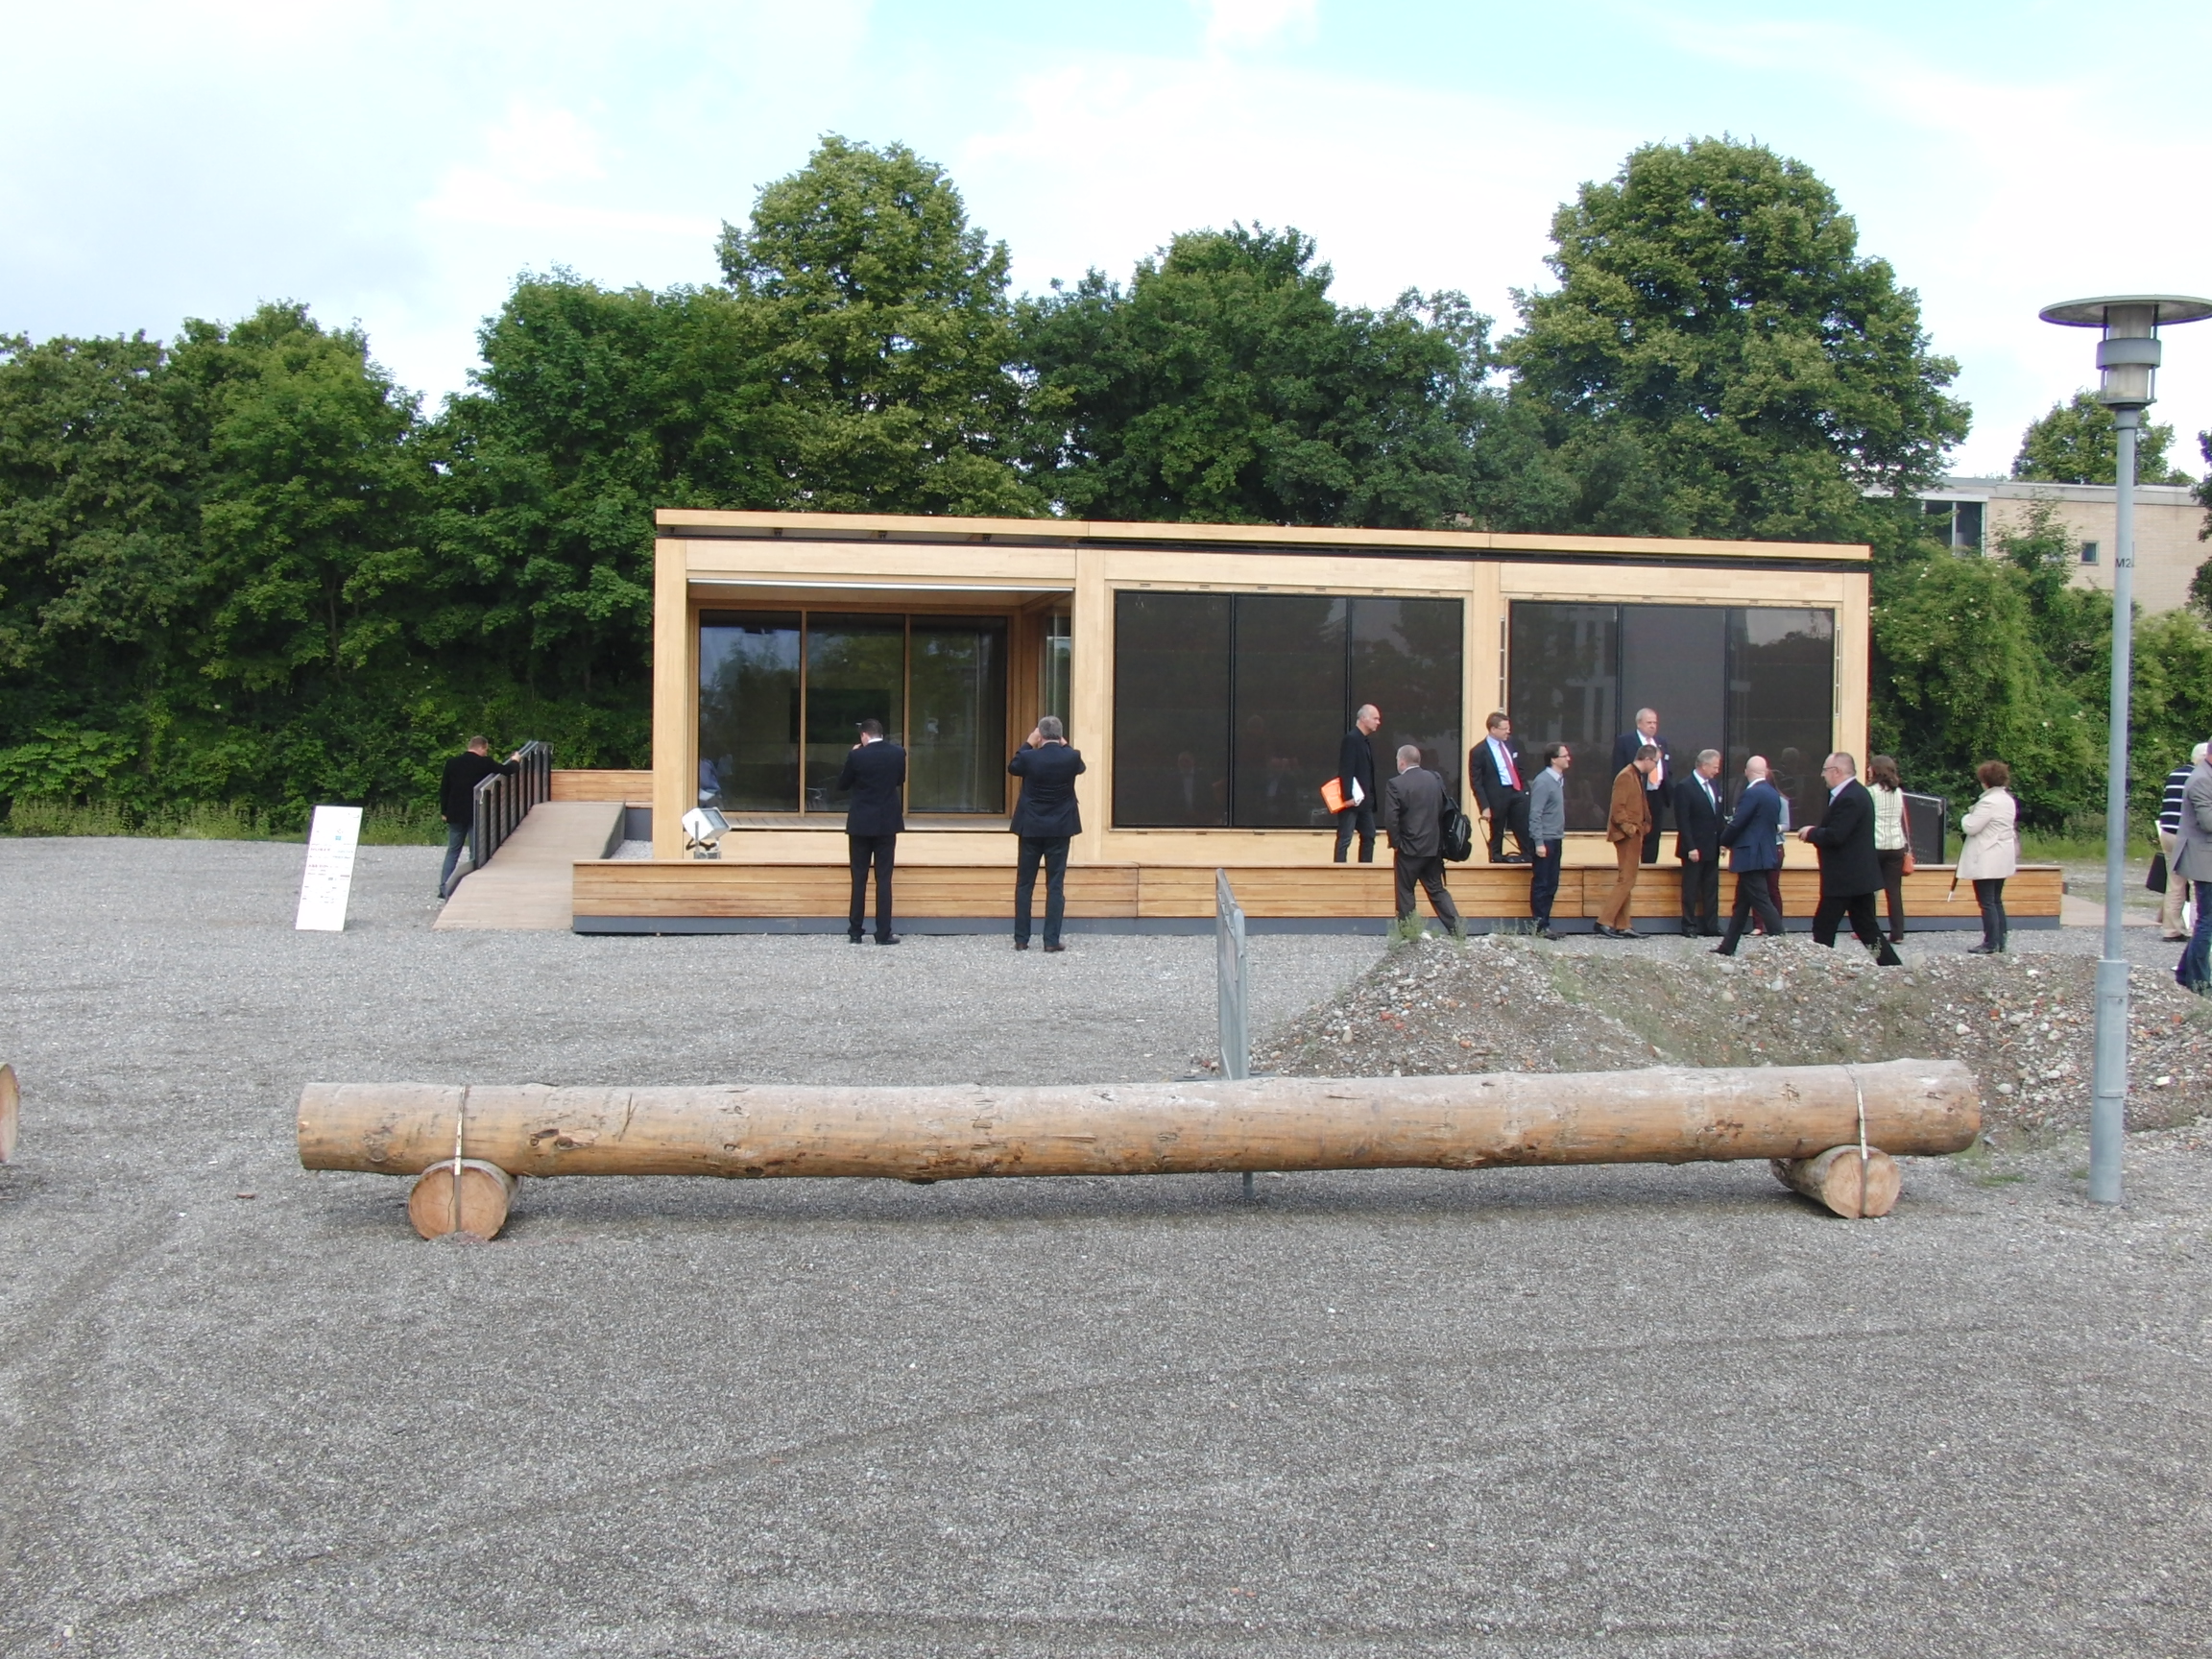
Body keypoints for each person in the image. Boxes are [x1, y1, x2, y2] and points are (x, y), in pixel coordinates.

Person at [1798, 752, 1903, 966]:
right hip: (1857, 877)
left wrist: (1811, 833)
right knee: (1866, 927)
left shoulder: (1850, 797)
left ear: (1836, 771)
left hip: (1845, 878)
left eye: (1825, 770)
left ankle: (1821, 967)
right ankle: (1891, 965)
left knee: (1824, 926)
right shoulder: (1855, 793)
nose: (1822, 775)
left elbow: (1837, 835)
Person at [1008, 716, 1086, 953]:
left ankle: (1022, 939)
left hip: (1031, 827)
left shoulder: (1029, 757)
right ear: (1060, 736)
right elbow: (1080, 767)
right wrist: (1065, 744)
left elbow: (1013, 767)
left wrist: (1028, 742)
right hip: (1060, 828)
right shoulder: (1071, 757)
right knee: (1055, 885)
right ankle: (1051, 940)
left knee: (1025, 883)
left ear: (1040, 735)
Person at [837, 717, 906, 945]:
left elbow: (843, 784)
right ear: (881, 734)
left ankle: (855, 931)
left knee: (859, 878)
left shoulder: (857, 755)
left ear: (864, 735)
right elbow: (899, 780)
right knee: (884, 879)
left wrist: (853, 754)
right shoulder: (898, 753)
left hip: (861, 823)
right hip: (886, 822)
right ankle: (883, 933)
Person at [1383, 744, 1462, 935]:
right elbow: (1444, 810)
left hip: (1408, 848)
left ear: (1402, 761)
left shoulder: (1395, 784)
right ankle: (1458, 930)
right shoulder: (1435, 779)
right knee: (1437, 890)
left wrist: (1396, 844)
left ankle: (1408, 934)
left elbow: (1391, 819)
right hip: (1433, 847)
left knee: (1405, 893)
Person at [1712, 755, 1786, 956]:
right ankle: (1727, 946)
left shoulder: (1752, 793)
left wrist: (1723, 841)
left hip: (1749, 855)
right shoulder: (1772, 793)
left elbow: (1738, 822)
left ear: (1747, 772)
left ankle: (1782, 940)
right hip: (1764, 852)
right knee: (1742, 904)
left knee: (1761, 899)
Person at [438, 735, 521, 900]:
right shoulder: (485, 763)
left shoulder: (452, 763)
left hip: (455, 812)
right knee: (475, 851)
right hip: (475, 812)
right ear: (482, 747)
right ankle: (471, 884)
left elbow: (444, 788)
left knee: (453, 850)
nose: (486, 753)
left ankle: (444, 886)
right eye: (486, 750)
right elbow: (507, 770)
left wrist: (444, 811)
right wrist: (515, 760)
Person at [1955, 759, 2018, 956]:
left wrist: (1966, 816)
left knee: (1987, 902)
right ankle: (2000, 940)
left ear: (1985, 781)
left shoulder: (1988, 802)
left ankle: (1990, 942)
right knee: (1996, 900)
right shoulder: (2007, 799)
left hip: (1987, 855)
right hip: (2002, 854)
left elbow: (1971, 827)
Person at [1597, 744, 1656, 939]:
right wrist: (1631, 829)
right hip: (1626, 835)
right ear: (1647, 759)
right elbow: (1617, 808)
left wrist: (1643, 827)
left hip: (1633, 833)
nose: (1656, 766)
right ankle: (1604, 921)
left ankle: (1623, 924)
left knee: (1628, 878)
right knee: (1626, 879)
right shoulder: (1626, 776)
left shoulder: (1635, 775)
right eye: (1655, 762)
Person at [2171, 741, 2212, 993]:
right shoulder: (2201, 780)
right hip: (2204, 859)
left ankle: (2185, 973)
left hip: (2205, 857)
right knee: (2208, 921)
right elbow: (2208, 822)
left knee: (2207, 920)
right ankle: (2199, 982)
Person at [1610, 708, 1672, 864]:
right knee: (1636, 833)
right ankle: (1632, 867)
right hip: (1637, 794)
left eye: (1655, 723)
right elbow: (1618, 769)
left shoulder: (1661, 742)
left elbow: (1666, 768)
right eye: (1649, 722)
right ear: (1639, 723)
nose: (1653, 726)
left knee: (1654, 833)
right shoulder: (1625, 741)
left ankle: (1650, 865)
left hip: (1657, 794)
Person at [2157, 744, 2206, 942]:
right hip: (2188, 836)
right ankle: (2198, 928)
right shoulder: (2202, 777)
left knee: (2175, 883)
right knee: (2198, 882)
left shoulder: (2175, 774)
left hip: (2168, 833)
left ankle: (2171, 930)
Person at [1673, 748, 1724, 936]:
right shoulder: (1685, 786)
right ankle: (1689, 925)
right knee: (1691, 888)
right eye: (1715, 767)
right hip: (1694, 848)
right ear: (1704, 765)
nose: (1717, 771)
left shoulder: (1714, 786)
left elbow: (1717, 816)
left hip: (1712, 845)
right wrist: (1691, 847)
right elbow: (1683, 820)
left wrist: (1722, 840)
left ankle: (1711, 926)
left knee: (1711, 888)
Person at [1471, 711, 1531, 864]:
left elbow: (1522, 768)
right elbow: (1476, 782)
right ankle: (1496, 858)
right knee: (1497, 830)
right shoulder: (1479, 751)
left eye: (1508, 728)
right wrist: (1484, 806)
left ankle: (1528, 855)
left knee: (1523, 826)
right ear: (1493, 729)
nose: (1508, 732)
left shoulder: (1515, 744)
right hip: (1496, 795)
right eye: (1504, 729)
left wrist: (1524, 789)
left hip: (1516, 790)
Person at [1527, 742, 1570, 940]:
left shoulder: (1558, 781)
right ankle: (1539, 925)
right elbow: (1535, 813)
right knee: (1542, 883)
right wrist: (1539, 842)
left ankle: (1546, 923)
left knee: (1552, 883)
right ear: (1553, 759)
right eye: (1564, 756)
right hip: (1545, 839)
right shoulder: (1543, 781)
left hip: (1556, 837)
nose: (1568, 759)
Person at [1868, 755, 1910, 947]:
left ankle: (1870, 929)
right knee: (1894, 891)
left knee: (1870, 888)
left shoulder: (1871, 792)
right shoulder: (1898, 792)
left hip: (1876, 843)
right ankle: (1897, 932)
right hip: (1896, 844)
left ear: (1876, 770)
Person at [1334, 704, 1382, 863]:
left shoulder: (1364, 741)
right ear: (1363, 718)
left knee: (1369, 835)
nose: (1378, 722)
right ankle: (1339, 869)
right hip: (1352, 799)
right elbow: (1346, 769)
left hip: (1364, 800)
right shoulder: (1351, 739)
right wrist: (1347, 797)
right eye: (1375, 718)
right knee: (1345, 837)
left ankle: (1365, 869)